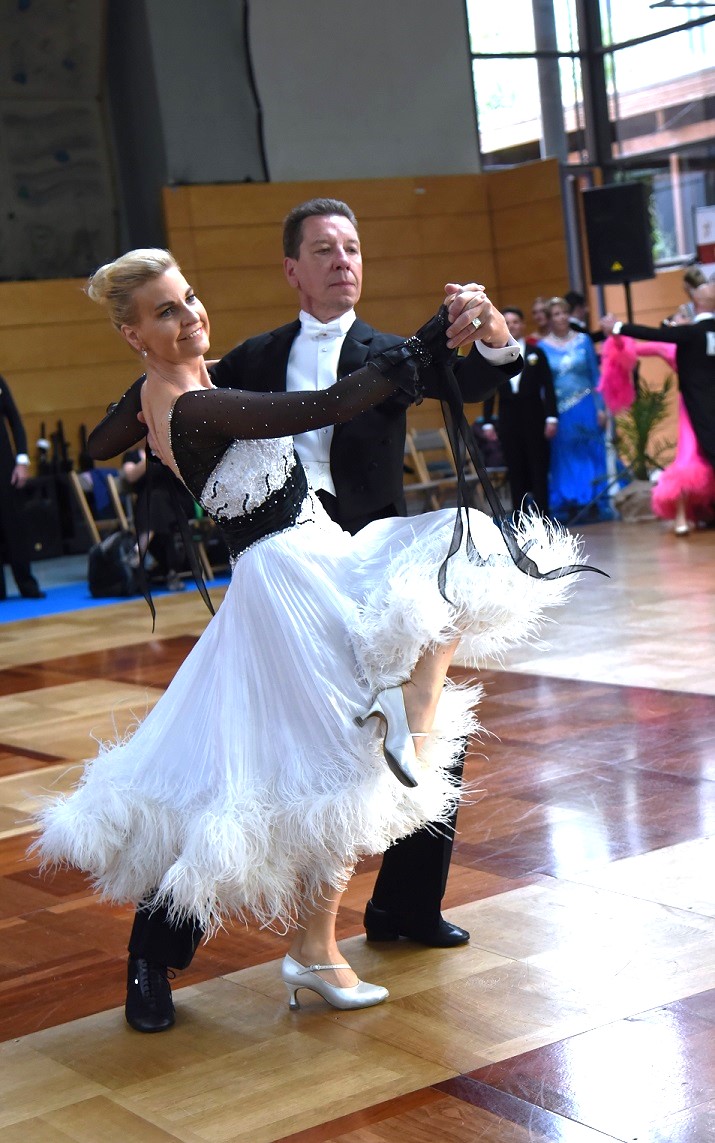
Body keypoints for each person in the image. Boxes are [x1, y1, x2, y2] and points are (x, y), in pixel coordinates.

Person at [35, 249, 583, 1028]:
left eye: (189, 297)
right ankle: (157, 958)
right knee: (248, 777)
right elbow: (325, 404)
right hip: (289, 584)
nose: (189, 315)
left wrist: (463, 335)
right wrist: (427, 333)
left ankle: (351, 929)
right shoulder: (220, 381)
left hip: (331, 548)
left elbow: (99, 442)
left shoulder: (196, 375)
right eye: (166, 310)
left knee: (351, 753)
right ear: (295, 265)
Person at [600, 323, 715, 535]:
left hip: (709, 405)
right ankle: (681, 516)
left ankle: (704, 511)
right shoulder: (669, 345)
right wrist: (617, 334)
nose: (680, 319)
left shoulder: (701, 334)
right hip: (691, 407)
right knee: (688, 457)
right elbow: (635, 348)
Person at [601, 282, 715, 475]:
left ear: (696, 303)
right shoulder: (698, 332)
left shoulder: (690, 333)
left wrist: (617, 326)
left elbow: (652, 334)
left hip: (697, 403)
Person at [480, 306, 558, 515]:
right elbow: (489, 389)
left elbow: (548, 386)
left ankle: (543, 516)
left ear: (522, 325)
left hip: (534, 416)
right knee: (515, 470)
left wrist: (552, 417)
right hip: (508, 418)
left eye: (516, 322)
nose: (512, 326)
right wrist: (487, 421)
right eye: (507, 322)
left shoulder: (536, 353)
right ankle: (519, 518)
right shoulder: (494, 355)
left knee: (538, 467)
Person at [539, 297, 610, 523]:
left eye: (564, 313)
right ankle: (570, 499)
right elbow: (543, 386)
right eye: (555, 314)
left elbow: (595, 375)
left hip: (587, 404)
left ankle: (596, 498)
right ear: (549, 319)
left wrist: (601, 408)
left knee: (591, 450)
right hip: (561, 411)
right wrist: (547, 416)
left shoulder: (583, 340)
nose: (561, 318)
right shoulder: (542, 347)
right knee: (566, 455)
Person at [121, 446, 196, 591]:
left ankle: (139, 549)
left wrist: (164, 452)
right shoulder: (132, 456)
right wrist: (152, 456)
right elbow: (130, 476)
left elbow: (185, 474)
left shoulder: (172, 447)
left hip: (178, 502)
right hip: (149, 509)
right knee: (157, 504)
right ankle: (172, 573)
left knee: (157, 501)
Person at [0, 374, 45, 600]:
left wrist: (22, 460)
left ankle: (27, 584)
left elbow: (15, 421)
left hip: (4, 466)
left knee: (14, 525)